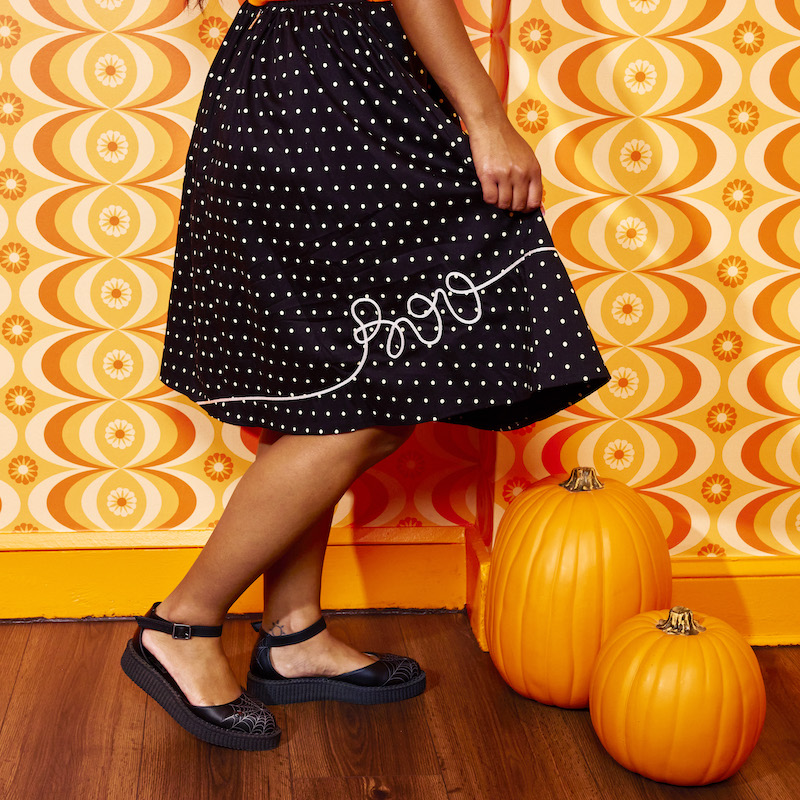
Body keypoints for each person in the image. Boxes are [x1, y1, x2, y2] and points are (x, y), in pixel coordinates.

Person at [121, 0, 609, 750]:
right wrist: (485, 117)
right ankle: (182, 624)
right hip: (337, 94)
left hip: (275, 80)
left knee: (318, 388)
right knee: (371, 393)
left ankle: (292, 634)